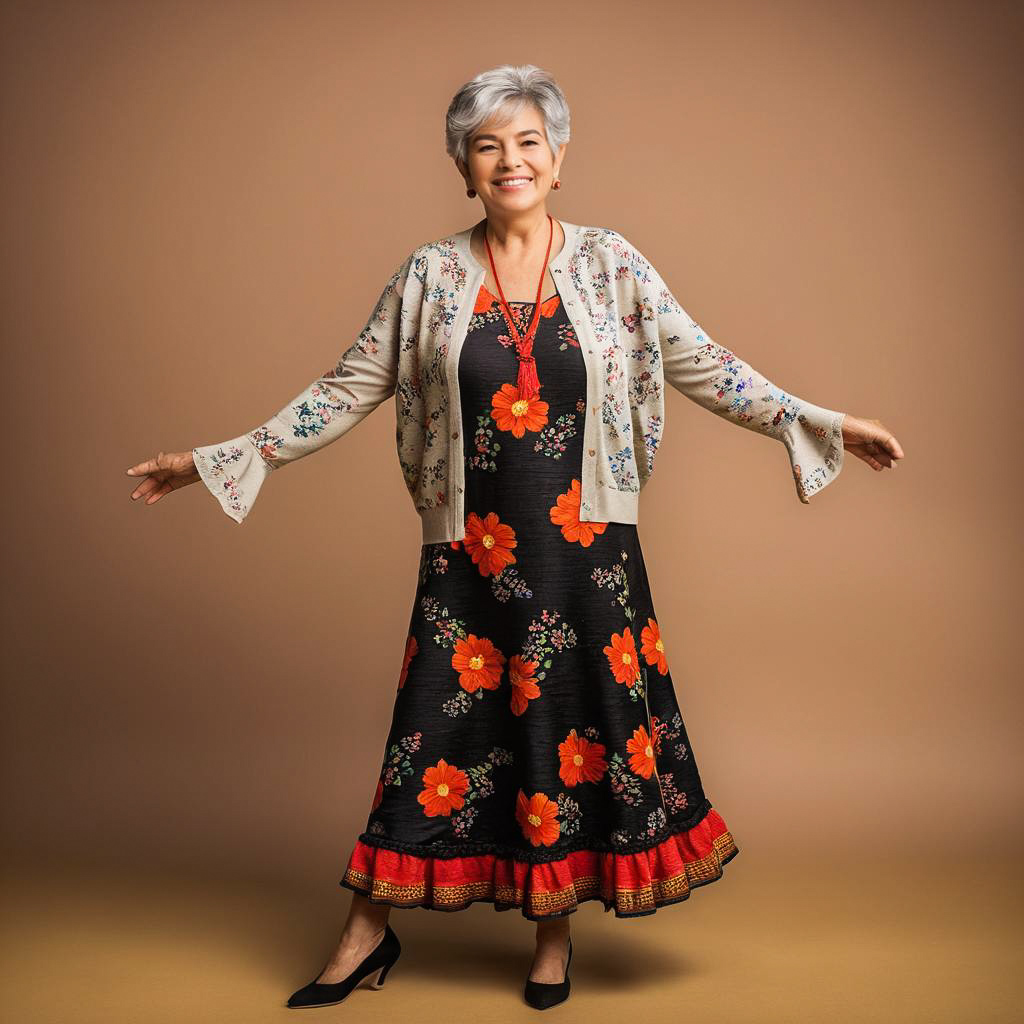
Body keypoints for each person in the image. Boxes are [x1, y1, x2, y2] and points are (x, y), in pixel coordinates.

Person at [125, 64, 903, 1011]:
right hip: (472, 554)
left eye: (528, 140)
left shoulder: (614, 265)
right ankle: (366, 932)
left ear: (559, 159)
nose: (510, 159)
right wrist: (219, 458)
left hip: (587, 557)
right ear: (464, 167)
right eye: (487, 144)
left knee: (564, 735)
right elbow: (346, 388)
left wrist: (821, 419)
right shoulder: (430, 276)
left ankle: (551, 940)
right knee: (429, 735)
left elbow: (705, 362)